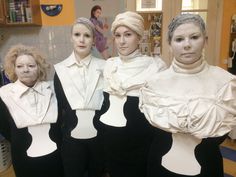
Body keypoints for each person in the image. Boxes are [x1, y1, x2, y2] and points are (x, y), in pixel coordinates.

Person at [139, 14, 236, 177]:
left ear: (206, 40)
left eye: (194, 37)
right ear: (169, 44)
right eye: (179, 39)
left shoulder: (225, 83)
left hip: (206, 165)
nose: (187, 45)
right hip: (160, 164)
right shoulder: (154, 83)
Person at [93, 11, 166, 177]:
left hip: (140, 145)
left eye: (128, 35)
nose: (122, 41)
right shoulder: (109, 66)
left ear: (139, 37)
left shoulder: (154, 68)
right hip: (111, 143)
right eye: (117, 36)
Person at [0, 44, 63, 177]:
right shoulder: (4, 95)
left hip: (54, 156)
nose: (25, 70)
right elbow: (5, 127)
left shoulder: (52, 89)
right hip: (24, 158)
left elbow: (60, 122)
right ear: (14, 69)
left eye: (31, 66)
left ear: (39, 68)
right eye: (20, 66)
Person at [54, 17, 105, 177]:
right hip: (71, 140)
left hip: (100, 138)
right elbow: (61, 108)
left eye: (87, 36)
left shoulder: (105, 68)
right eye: (77, 34)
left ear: (94, 40)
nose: (82, 40)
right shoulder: (60, 71)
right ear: (71, 37)